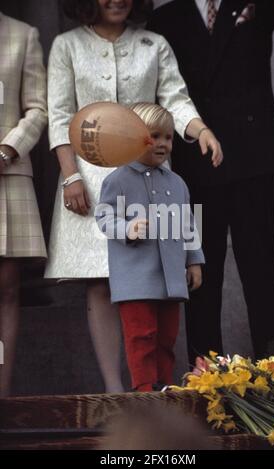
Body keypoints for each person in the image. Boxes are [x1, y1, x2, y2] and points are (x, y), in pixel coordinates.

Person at [45, 0, 222, 392]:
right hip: (89, 177)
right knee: (100, 280)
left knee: (153, 275)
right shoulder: (67, 45)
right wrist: (69, 177)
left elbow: (174, 97)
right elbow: (59, 114)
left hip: (150, 177)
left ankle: (154, 387)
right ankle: (114, 390)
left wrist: (200, 129)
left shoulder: (153, 43)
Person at [148, 0, 274, 362]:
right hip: (196, 165)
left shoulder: (258, 4)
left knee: (261, 275)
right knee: (201, 278)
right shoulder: (166, 18)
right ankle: (207, 386)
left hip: (253, 158)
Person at [96, 103, 205, 392]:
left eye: (168, 137)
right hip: (135, 279)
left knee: (167, 338)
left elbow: (188, 223)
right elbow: (104, 216)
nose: (162, 144)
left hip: (171, 278)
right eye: (154, 136)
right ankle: (144, 391)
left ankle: (165, 389)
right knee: (141, 337)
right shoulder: (117, 180)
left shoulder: (177, 182)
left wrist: (194, 261)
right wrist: (127, 228)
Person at [0, 11, 47, 396]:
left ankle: (2, 395)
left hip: (6, 170)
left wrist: (7, 149)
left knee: (7, 286)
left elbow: (38, 108)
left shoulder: (22, 34)